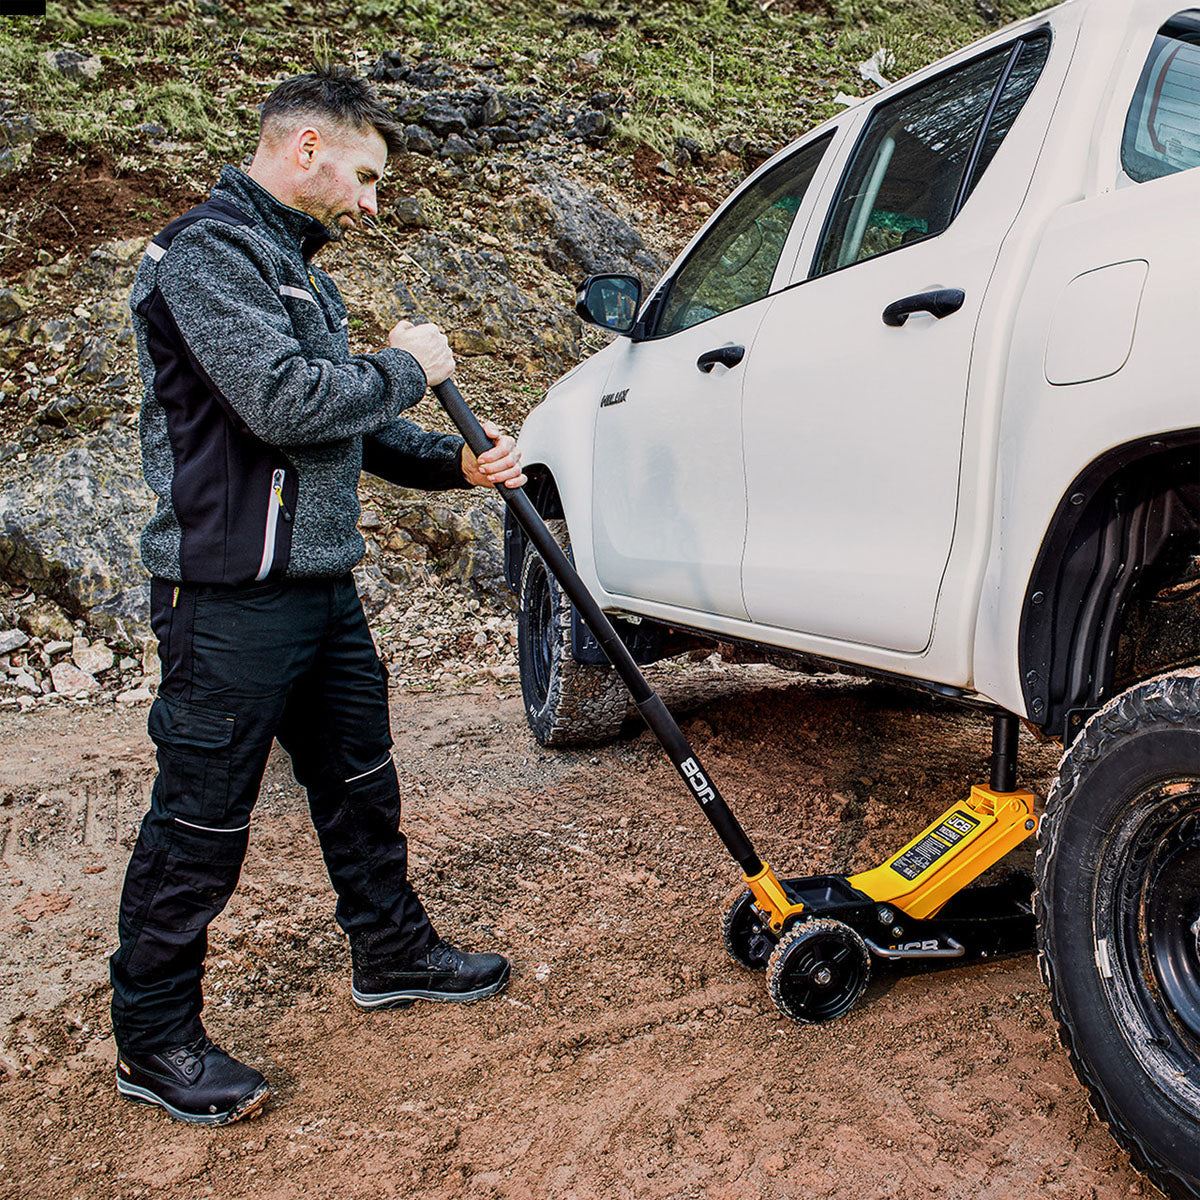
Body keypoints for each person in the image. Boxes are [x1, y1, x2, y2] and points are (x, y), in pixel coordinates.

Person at [110, 66, 526, 1125]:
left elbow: (347, 422)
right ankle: (154, 1042)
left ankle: (391, 954)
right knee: (199, 824)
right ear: (307, 149)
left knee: (359, 782)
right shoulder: (204, 254)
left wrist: (452, 464)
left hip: (318, 588)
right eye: (368, 176)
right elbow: (284, 403)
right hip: (227, 599)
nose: (374, 202)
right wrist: (407, 364)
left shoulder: (298, 271)